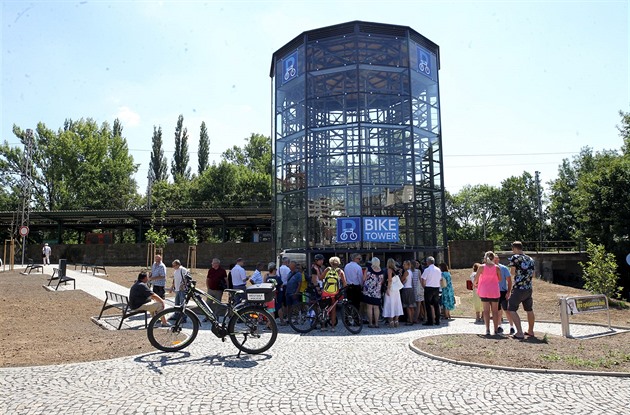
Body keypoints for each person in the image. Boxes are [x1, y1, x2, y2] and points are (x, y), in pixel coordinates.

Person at [508, 241, 536, 340]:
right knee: (529, 309)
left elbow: (512, 272)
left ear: (514, 248)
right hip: (528, 288)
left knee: (511, 308)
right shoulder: (530, 259)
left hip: (519, 288)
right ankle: (531, 331)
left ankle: (519, 332)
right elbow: (533, 275)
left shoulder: (515, 258)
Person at [473, 251, 501, 336]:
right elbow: (500, 279)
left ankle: (487, 329)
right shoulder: (497, 268)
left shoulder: (481, 267)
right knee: (495, 311)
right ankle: (495, 330)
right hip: (494, 291)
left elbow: (476, 279)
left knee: (486, 311)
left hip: (484, 291)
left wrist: (476, 284)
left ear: (485, 258)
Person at [320, 256, 346, 331]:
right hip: (335, 292)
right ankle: (333, 327)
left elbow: (321, 278)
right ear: (338, 263)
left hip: (325, 292)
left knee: (324, 309)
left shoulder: (327, 269)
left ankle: (323, 326)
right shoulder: (340, 271)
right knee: (333, 309)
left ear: (330, 263)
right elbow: (344, 283)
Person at [494, 254, 515, 335]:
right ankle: (499, 326)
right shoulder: (490, 269)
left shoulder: (504, 268)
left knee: (507, 310)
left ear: (498, 260)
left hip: (503, 291)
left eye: (496, 259)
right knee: (498, 310)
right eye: (494, 259)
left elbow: (509, 280)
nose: (495, 261)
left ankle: (511, 326)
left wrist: (508, 292)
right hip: (494, 292)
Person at [362, 257, 385, 328]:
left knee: (369, 307)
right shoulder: (381, 271)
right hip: (377, 291)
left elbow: (364, 279)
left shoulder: (368, 269)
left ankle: (371, 323)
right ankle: (377, 323)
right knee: (376, 307)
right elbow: (382, 281)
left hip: (368, 291)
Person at [421, 256, 442, 326]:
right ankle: (437, 320)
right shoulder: (438, 270)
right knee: (436, 305)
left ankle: (430, 321)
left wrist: (424, 286)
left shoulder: (427, 270)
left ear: (428, 262)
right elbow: (440, 279)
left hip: (429, 288)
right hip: (436, 288)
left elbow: (423, 279)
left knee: (428, 305)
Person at [382, 258, 404, 327]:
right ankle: (396, 321)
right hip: (396, 289)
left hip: (391, 288)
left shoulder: (389, 270)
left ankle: (391, 321)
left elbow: (390, 280)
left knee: (389, 303)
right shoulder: (397, 270)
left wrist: (388, 289)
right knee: (397, 303)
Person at [400, 260, 416, 326]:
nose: (403, 266)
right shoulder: (411, 272)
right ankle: (412, 319)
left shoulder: (406, 272)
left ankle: (410, 320)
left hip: (406, 289)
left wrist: (401, 274)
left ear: (408, 265)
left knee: (408, 306)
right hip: (411, 288)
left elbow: (401, 279)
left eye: (404, 264)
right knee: (411, 306)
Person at [277, 257, 291, 325]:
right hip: (285, 286)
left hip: (279, 287)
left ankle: (282, 316)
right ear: (286, 262)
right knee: (286, 303)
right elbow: (289, 278)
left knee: (281, 303)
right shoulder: (287, 269)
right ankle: (286, 316)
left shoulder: (278, 269)